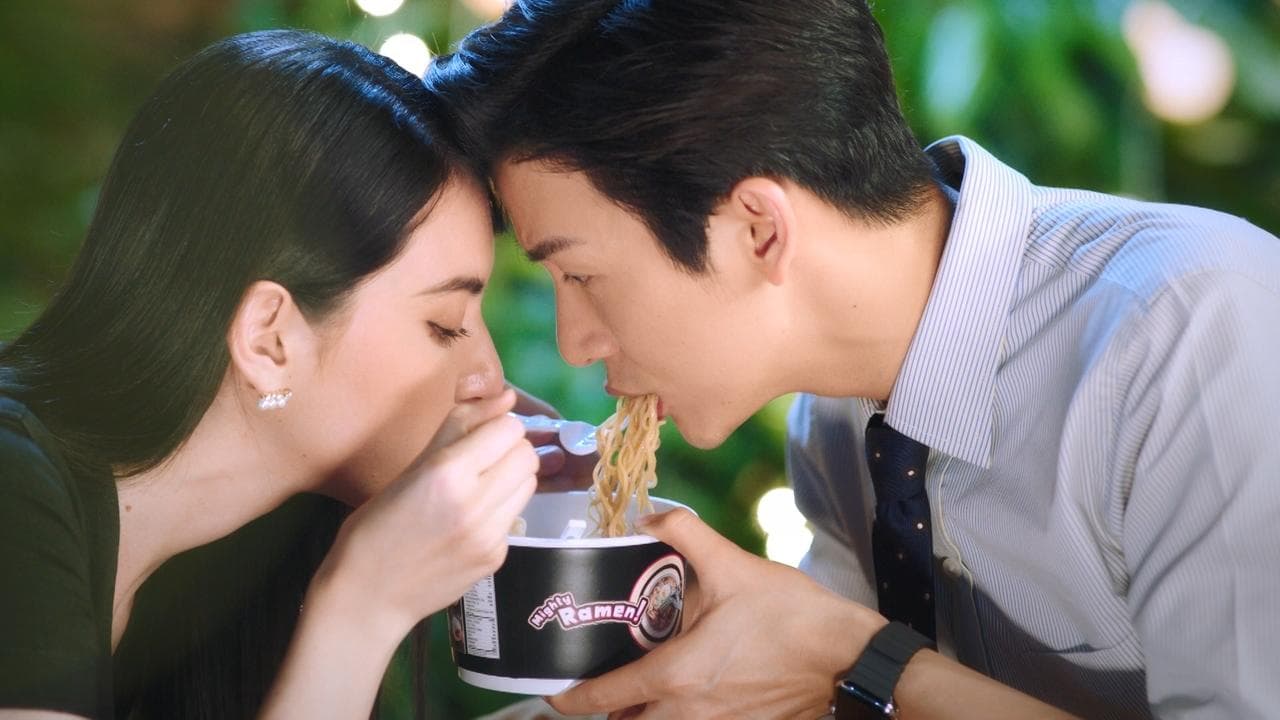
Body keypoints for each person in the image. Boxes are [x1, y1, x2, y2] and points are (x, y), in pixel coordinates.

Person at [422, 1, 1280, 718]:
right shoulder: (836, 418)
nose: (574, 341)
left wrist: (858, 661)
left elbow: (832, 665)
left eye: (579, 275)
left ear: (760, 230)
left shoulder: (1191, 334)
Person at [0, 29, 544, 719]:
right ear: (269, 339)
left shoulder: (234, 570)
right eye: (445, 324)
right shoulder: (13, 498)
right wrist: (361, 607)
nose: (491, 377)